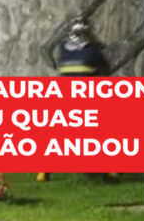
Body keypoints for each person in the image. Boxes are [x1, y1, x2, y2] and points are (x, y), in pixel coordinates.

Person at [36, 18, 111, 183]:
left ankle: (44, 171)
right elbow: (105, 72)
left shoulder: (64, 50)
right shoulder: (94, 51)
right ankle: (109, 170)